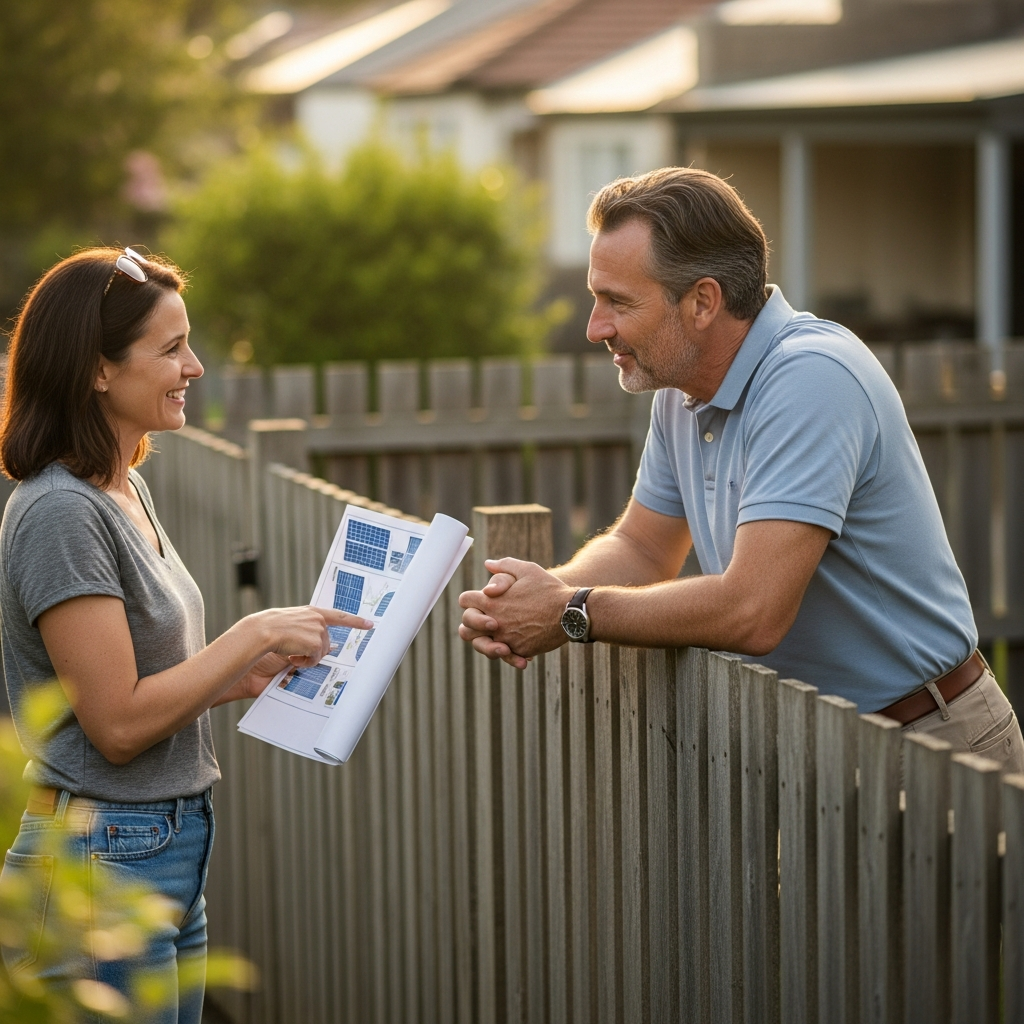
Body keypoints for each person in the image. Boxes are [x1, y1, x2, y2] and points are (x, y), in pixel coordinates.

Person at [460, 166, 1024, 774]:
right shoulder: (680, 393)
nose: (596, 327)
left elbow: (753, 610)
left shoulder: (811, 378)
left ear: (703, 300)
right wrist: (535, 598)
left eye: (618, 302)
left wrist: (572, 611)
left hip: (932, 745)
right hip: (826, 752)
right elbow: (644, 547)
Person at [0, 247, 373, 1021]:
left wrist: (236, 679)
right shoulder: (61, 513)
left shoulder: (123, 485)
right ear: (97, 370)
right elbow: (118, 725)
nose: (195, 367)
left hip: (165, 848)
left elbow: (139, 683)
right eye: (171, 349)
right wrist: (254, 631)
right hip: (103, 862)